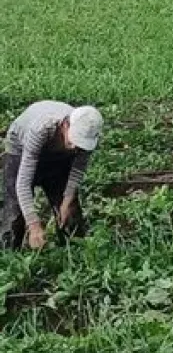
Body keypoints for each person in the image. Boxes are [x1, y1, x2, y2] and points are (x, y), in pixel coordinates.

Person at [0, 101, 103, 250]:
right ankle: (9, 254)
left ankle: (74, 255)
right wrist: (34, 224)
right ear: (65, 125)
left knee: (70, 215)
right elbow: (23, 182)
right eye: (74, 140)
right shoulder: (40, 129)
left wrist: (67, 201)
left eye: (80, 144)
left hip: (57, 156)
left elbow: (77, 170)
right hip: (21, 151)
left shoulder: (89, 133)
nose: (75, 147)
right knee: (15, 213)